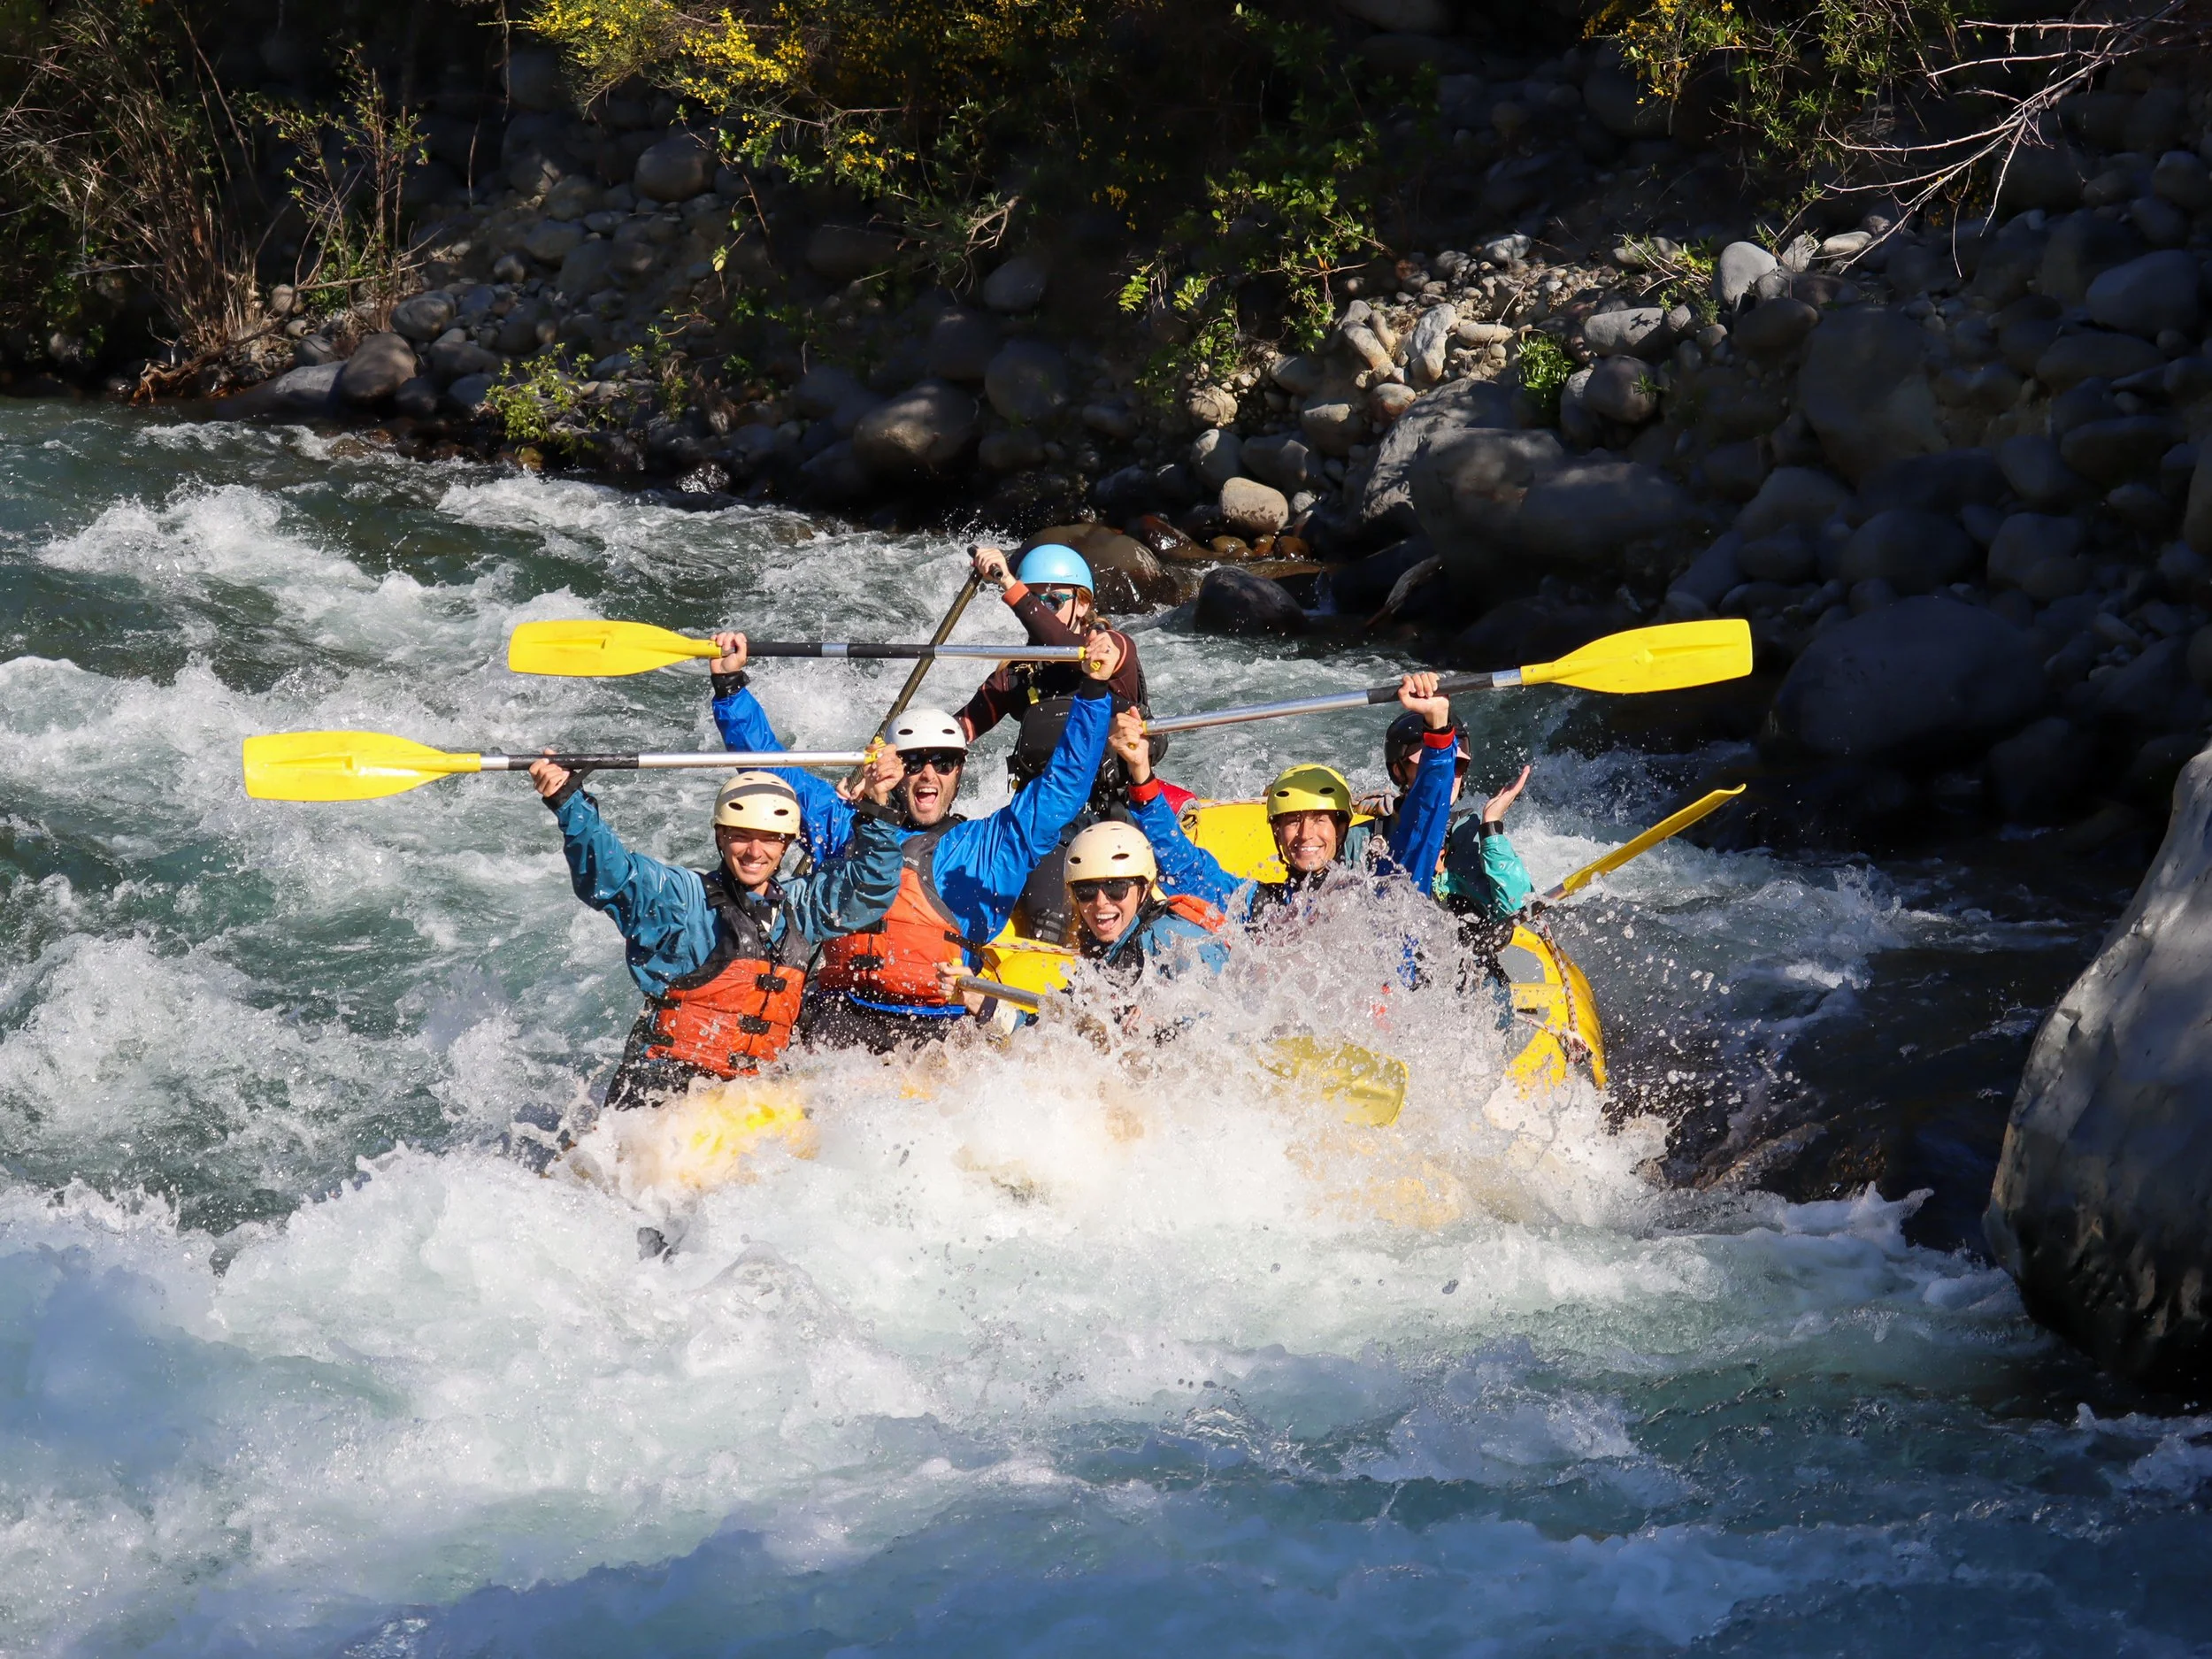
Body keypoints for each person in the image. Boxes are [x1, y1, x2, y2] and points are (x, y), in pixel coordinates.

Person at [705, 626, 1125, 1052]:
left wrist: (1093, 690)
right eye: (914, 762)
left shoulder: (990, 846)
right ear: (891, 766)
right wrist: (731, 687)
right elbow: (773, 769)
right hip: (840, 1014)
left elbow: (1064, 785)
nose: (928, 774)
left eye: (943, 763)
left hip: (936, 1028)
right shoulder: (846, 825)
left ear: (959, 772)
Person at [526, 749, 908, 1110]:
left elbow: (870, 888)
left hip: (747, 1100)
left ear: (787, 843)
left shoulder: (800, 907)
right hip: (665, 1097)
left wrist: (877, 804)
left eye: (770, 838)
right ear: (720, 837)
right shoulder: (682, 900)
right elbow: (614, 878)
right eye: (741, 835)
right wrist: (569, 802)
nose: (754, 851)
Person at [1110, 675, 1462, 927]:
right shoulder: (1255, 905)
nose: (1306, 834)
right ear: (1276, 832)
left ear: (1342, 829)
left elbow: (1424, 820)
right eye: (1293, 821)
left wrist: (1438, 727)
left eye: (1320, 820)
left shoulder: (1382, 890)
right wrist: (1141, 772)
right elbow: (1183, 866)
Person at [937, 813, 1228, 1033]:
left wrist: (1164, 1026)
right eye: (1086, 892)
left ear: (1144, 887)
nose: (1101, 903)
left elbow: (1219, 1014)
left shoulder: (1175, 938)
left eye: (1116, 888)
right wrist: (981, 1002)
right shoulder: (1103, 954)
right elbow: (1055, 1024)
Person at [1360, 710, 1536, 925]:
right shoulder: (1365, 837)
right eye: (1431, 766)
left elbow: (1517, 910)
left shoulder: (1467, 832)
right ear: (1398, 771)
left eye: (1457, 765)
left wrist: (1491, 827)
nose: (1448, 776)